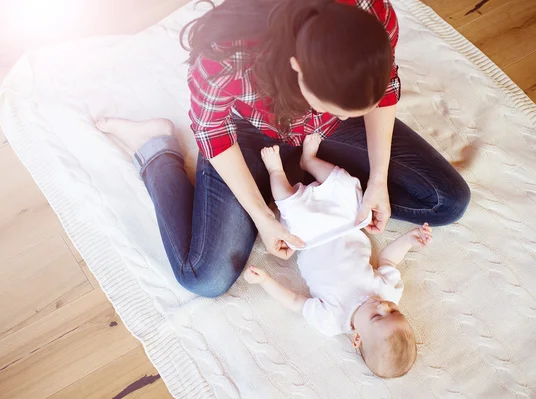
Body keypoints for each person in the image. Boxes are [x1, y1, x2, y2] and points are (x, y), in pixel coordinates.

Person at [97, 0, 469, 297]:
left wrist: (378, 181)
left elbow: (385, 91)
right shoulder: (228, 56)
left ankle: (298, 172)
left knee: (446, 201)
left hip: (321, 136)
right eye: (327, 104)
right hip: (246, 134)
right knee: (203, 278)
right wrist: (264, 216)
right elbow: (213, 133)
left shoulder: (372, 12)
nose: (331, 113)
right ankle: (155, 148)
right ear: (297, 66)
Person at [243, 135, 429, 378]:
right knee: (348, 187)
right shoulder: (389, 292)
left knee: (290, 211)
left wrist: (265, 281)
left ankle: (276, 171)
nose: (383, 307)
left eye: (376, 317)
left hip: (309, 239)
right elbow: (388, 260)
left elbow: (295, 302)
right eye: (395, 312)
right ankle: (309, 161)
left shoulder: (331, 321)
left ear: (357, 338)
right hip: (345, 226)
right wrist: (409, 240)